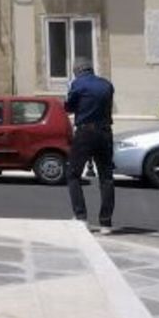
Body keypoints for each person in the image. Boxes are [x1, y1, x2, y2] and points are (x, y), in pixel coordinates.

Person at [64, 58, 116, 234]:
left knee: (73, 174)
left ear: (77, 71)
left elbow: (69, 107)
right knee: (106, 177)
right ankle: (106, 223)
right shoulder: (107, 85)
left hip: (85, 132)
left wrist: (69, 93)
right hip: (105, 132)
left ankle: (81, 217)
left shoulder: (77, 85)